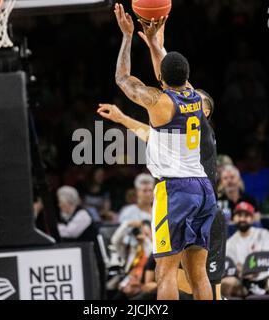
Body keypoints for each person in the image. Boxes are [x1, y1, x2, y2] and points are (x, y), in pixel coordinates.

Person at [103, 4, 217, 300]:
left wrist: (128, 36)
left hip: (176, 190)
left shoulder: (158, 102)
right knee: (197, 272)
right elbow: (167, 71)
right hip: (204, 188)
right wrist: (156, 43)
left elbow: (123, 79)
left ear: (161, 79)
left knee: (165, 271)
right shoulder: (194, 96)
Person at [222, 202, 269, 297]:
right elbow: (230, 267)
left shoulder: (264, 234)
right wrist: (241, 271)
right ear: (234, 218)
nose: (242, 219)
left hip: (264, 277)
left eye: (246, 215)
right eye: (239, 215)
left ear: (252, 219)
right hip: (242, 281)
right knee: (226, 282)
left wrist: (255, 268)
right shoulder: (230, 242)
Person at [111, 220, 153, 300]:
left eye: (146, 234)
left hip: (143, 285)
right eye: (140, 233)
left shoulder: (153, 249)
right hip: (127, 284)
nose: (142, 236)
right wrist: (126, 224)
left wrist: (146, 241)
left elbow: (150, 253)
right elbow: (115, 241)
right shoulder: (132, 250)